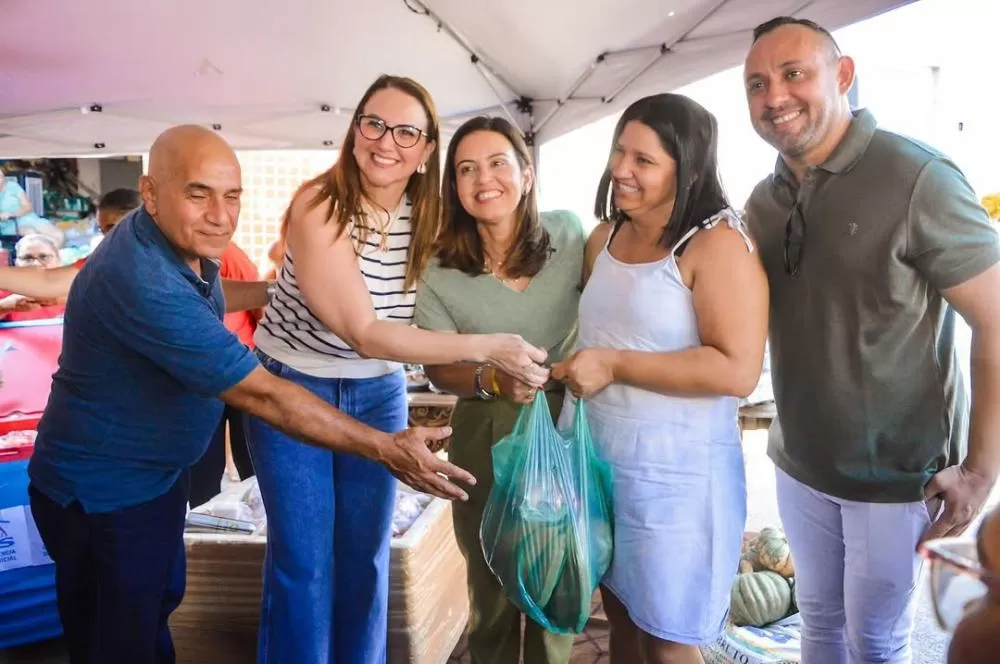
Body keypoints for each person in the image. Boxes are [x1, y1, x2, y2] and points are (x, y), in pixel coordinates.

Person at [26, 124, 474, 664]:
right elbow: (263, 396)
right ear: (150, 193)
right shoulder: (144, 280)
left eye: (232, 195)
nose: (221, 214)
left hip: (151, 477)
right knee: (116, 640)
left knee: (154, 608)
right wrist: (385, 446)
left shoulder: (168, 239)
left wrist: (290, 288)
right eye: (198, 193)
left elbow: (217, 293)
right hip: (102, 494)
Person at [245, 75, 549, 664]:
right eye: (374, 124)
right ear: (355, 130)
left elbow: (495, 258)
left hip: (377, 390)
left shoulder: (430, 216)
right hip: (292, 387)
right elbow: (363, 330)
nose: (387, 142)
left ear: (427, 150)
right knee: (305, 565)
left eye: (407, 131)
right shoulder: (319, 205)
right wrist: (488, 348)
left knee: (365, 556)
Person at [742, 16, 1000, 663]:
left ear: (844, 76)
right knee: (820, 624)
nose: (774, 96)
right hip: (797, 462)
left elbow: (995, 319)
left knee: (877, 642)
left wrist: (979, 470)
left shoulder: (917, 177)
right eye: (757, 83)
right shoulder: (763, 201)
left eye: (793, 73)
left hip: (896, 477)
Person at [551, 93, 769, 663]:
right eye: (619, 151)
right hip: (602, 464)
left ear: (689, 168)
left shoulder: (718, 245)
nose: (621, 169)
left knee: (670, 641)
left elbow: (737, 368)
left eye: (643, 160)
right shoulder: (603, 239)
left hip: (678, 482)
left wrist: (615, 364)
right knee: (620, 615)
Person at [415, 116, 583, 664]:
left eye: (497, 163)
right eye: (466, 169)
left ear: (526, 174)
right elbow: (440, 371)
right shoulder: (438, 269)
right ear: (454, 188)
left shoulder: (571, 236)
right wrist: (492, 377)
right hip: (485, 431)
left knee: (555, 588)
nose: (483, 179)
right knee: (489, 589)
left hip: (565, 431)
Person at [188, 239, 260, 506]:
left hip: (243, 367)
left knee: (252, 460)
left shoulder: (226, 252)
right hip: (200, 373)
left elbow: (259, 302)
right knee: (202, 464)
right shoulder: (162, 258)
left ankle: (258, 530)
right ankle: (206, 528)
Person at [0, 234, 66, 321]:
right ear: (16, 263)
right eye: (27, 259)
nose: (36, 264)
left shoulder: (74, 288)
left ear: (58, 260)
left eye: (44, 257)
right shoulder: (5, 290)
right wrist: (6, 306)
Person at [0, 169, 65, 247]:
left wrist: (12, 213)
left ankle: (50, 256)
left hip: (29, 218)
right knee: (32, 234)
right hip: (11, 225)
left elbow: (28, 206)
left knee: (59, 235)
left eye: (1, 176)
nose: (1, 180)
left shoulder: (12, 186)